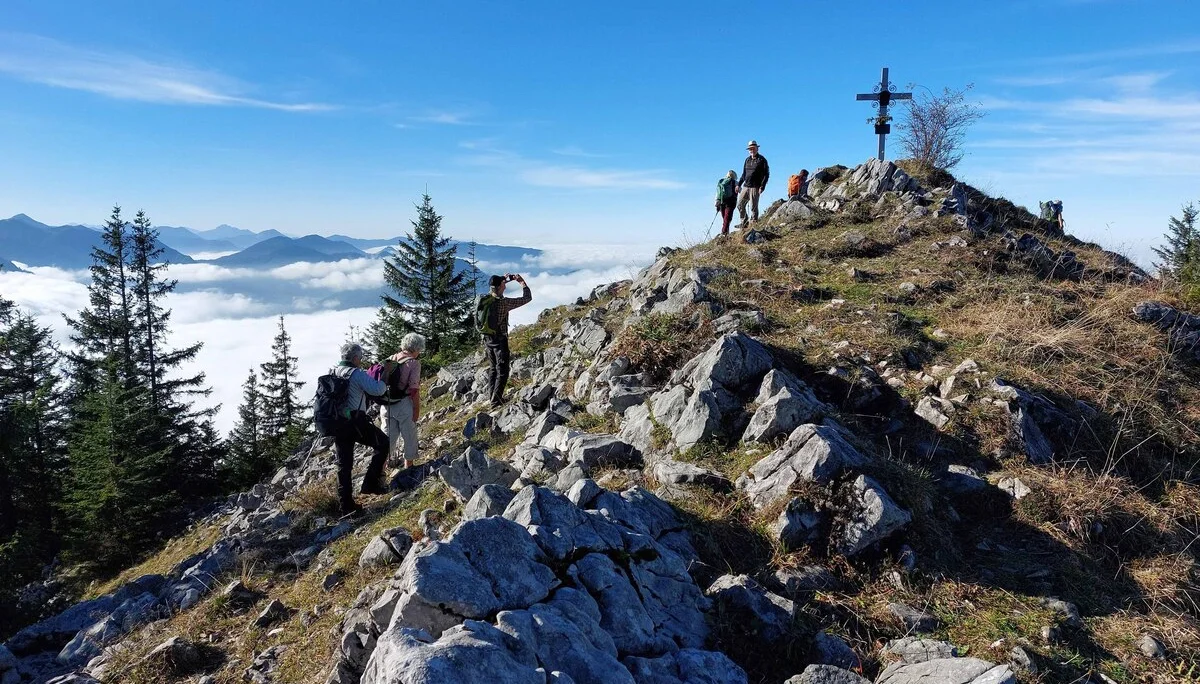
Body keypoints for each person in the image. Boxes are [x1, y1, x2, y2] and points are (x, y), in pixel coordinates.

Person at [331, 342, 390, 515]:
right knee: (383, 443)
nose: (361, 360)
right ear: (356, 358)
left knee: (344, 464)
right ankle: (370, 484)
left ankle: (346, 505)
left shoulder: (333, 372)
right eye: (360, 357)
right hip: (356, 421)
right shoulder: (356, 374)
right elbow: (378, 390)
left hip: (338, 422)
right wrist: (385, 372)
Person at [483, 273, 532, 408]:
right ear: (500, 286)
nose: (505, 285)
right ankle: (496, 401)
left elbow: (496, 287)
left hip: (487, 339)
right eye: (503, 284)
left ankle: (492, 397)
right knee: (503, 370)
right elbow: (527, 298)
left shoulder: (486, 299)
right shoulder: (504, 303)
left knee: (493, 369)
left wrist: (504, 280)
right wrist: (522, 283)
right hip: (500, 340)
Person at [384, 333, 425, 470]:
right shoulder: (413, 363)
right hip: (403, 403)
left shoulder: (390, 358)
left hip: (387, 404)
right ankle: (409, 468)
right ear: (416, 348)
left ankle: (379, 471)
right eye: (420, 350)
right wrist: (416, 410)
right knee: (409, 436)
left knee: (388, 438)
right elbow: (414, 389)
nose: (419, 353)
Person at [737, 140, 770, 227]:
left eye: (753, 148)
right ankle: (744, 222)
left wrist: (762, 187)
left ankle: (753, 224)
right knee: (740, 205)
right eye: (750, 149)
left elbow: (766, 175)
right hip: (745, 186)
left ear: (757, 148)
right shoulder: (747, 160)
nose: (751, 150)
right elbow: (744, 174)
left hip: (755, 187)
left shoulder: (762, 160)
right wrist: (738, 184)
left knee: (753, 207)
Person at [714, 170, 738, 235]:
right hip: (731, 202)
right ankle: (724, 233)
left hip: (721, 202)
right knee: (727, 218)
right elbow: (740, 190)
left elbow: (717, 193)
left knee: (725, 218)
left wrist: (716, 203)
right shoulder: (735, 182)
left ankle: (725, 233)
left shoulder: (722, 182)